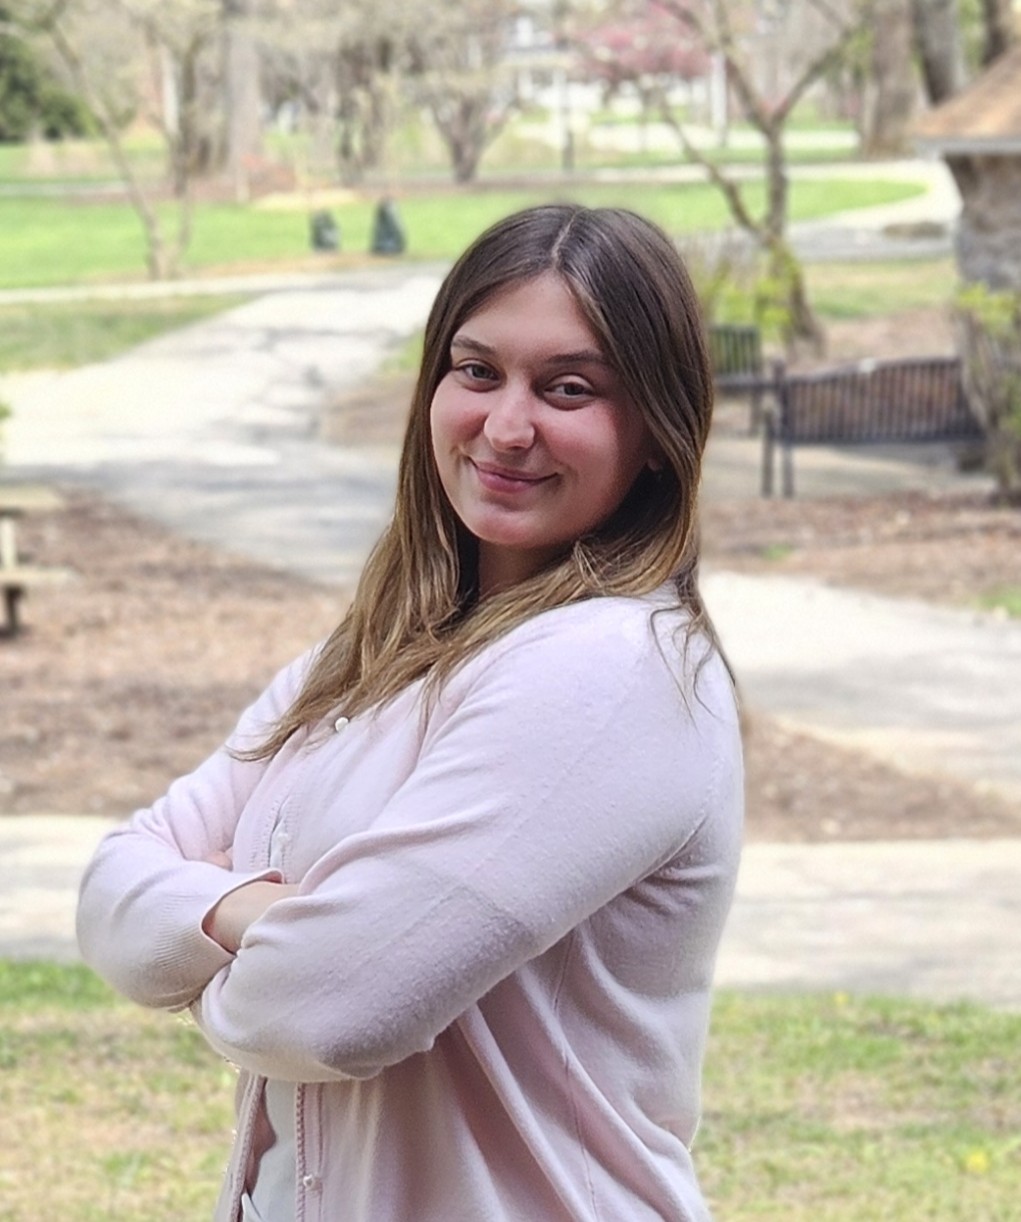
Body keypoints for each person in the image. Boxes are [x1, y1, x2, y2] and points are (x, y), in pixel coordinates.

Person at [76, 203, 744, 1222]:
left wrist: (220, 939)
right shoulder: (367, 658)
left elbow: (326, 1007)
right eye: (476, 372)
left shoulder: (612, 671)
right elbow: (113, 887)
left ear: (656, 430)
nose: (506, 426)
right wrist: (266, 917)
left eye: (567, 388)